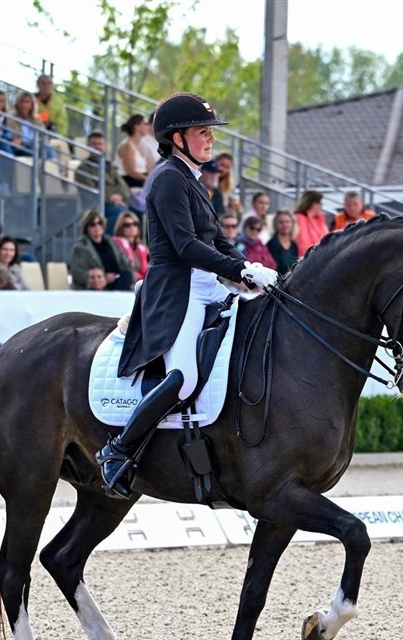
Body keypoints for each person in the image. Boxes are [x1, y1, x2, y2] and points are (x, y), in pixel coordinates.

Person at [97, 92, 278, 498]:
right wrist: (239, 271)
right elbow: (185, 245)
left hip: (208, 285)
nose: (211, 139)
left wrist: (251, 269)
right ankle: (117, 450)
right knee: (184, 379)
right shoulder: (166, 179)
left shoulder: (194, 182)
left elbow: (218, 241)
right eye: (203, 132)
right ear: (177, 139)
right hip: (177, 290)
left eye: (210, 132)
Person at [69, 211, 133, 291]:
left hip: (117, 281)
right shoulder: (80, 248)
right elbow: (77, 273)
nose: (97, 227)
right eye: (92, 225)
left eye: (99, 223)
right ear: (86, 228)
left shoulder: (110, 242)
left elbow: (125, 263)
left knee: (127, 275)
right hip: (95, 288)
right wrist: (102, 278)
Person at [111, 212, 149, 282]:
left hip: (142, 282)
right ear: (121, 227)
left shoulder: (141, 247)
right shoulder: (115, 244)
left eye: (135, 224)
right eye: (127, 225)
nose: (132, 227)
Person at [116, 114, 150, 187]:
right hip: (129, 182)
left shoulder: (142, 145)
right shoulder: (127, 146)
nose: (148, 126)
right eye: (145, 124)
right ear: (137, 127)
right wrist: (148, 180)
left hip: (140, 180)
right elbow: (131, 171)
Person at [293, 189, 328, 257]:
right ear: (310, 203)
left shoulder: (319, 219)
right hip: (309, 258)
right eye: (318, 203)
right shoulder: (299, 218)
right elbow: (303, 245)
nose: (321, 205)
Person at [266, 210, 299, 275]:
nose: (284, 225)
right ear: (275, 224)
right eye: (281, 222)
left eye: (287, 222)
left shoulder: (294, 245)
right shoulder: (271, 244)